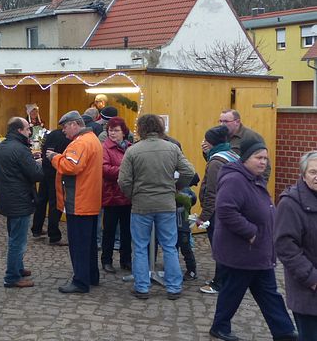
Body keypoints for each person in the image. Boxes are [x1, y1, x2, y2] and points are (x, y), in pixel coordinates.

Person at [209, 138, 297, 341]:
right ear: (246, 158)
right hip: (241, 251)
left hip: (258, 252)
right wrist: (251, 232)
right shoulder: (235, 180)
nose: (263, 162)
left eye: (265, 158)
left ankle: (282, 329)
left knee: (269, 292)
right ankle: (219, 326)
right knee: (233, 291)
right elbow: (225, 210)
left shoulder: (254, 178)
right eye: (258, 157)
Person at [118, 114, 195, 300]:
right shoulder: (172, 148)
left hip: (141, 204)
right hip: (166, 203)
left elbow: (124, 180)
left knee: (140, 246)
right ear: (160, 128)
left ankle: (142, 287)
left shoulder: (133, 151)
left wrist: (132, 195)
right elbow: (189, 172)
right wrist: (175, 187)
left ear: (141, 129)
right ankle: (174, 287)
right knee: (169, 246)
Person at [275, 151, 317, 341]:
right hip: (309, 286)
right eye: (313, 172)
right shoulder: (291, 203)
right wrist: (312, 278)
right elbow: (285, 245)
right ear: (303, 175)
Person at [46, 110, 103, 294]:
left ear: (74, 124)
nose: (63, 131)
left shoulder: (80, 143)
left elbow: (71, 166)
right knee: (89, 243)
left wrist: (54, 157)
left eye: (64, 127)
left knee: (78, 243)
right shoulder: (92, 139)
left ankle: (80, 281)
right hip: (89, 198)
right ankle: (91, 276)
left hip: (79, 201)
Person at [0, 117, 43, 288]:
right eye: (28, 129)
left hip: (8, 198)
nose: (30, 132)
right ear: (19, 130)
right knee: (17, 241)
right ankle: (12, 276)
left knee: (14, 237)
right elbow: (36, 174)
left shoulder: (2, 147)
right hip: (20, 199)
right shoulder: (20, 149)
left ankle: (18, 268)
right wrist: (40, 163)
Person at [198, 125, 239, 295]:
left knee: (220, 248)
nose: (203, 142)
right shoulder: (232, 155)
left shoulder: (216, 162)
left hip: (218, 213)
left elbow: (212, 192)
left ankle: (219, 282)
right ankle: (229, 279)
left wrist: (204, 216)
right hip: (231, 207)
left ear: (212, 142)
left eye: (206, 140)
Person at [100, 116, 132, 273]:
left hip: (127, 196)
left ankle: (126, 260)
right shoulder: (105, 148)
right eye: (110, 130)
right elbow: (104, 169)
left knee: (127, 231)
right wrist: (126, 172)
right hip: (111, 195)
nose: (112, 133)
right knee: (109, 231)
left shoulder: (130, 147)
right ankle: (106, 260)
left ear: (123, 132)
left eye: (116, 130)